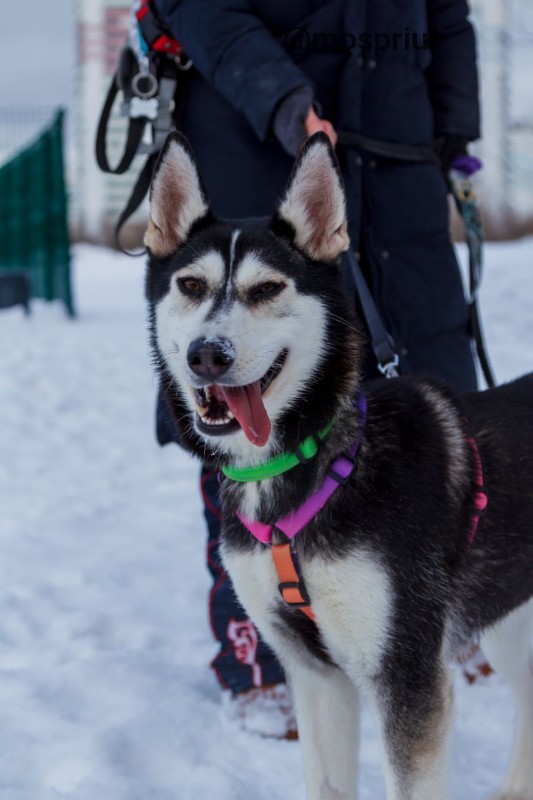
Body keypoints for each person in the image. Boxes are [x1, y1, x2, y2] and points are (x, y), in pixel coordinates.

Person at [153, 0, 480, 737]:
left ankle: (436, 612)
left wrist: (454, 132)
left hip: (396, 154)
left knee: (428, 392)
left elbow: (448, 17)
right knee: (246, 417)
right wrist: (280, 95)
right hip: (248, 141)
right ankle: (261, 653)